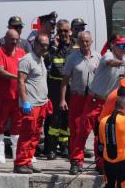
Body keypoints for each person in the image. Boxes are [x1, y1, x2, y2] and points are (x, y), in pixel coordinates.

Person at [75, 37, 125, 174]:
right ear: (113, 46)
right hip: (94, 101)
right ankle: (76, 161)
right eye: (120, 46)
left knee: (102, 136)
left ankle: (100, 163)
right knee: (83, 132)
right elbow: (110, 62)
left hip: (107, 104)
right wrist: (123, 62)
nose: (123, 49)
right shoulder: (108, 55)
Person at [59, 31, 101, 175]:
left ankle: (99, 161)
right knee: (76, 130)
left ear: (91, 42)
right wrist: (63, 99)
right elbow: (64, 81)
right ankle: (76, 161)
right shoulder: (72, 58)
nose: (85, 44)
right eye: (82, 41)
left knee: (97, 130)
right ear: (78, 42)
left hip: (93, 99)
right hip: (77, 97)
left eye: (87, 41)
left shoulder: (98, 57)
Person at [14, 34, 52, 174]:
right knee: (26, 135)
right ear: (35, 44)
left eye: (46, 45)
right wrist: (24, 101)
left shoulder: (40, 59)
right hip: (31, 104)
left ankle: (27, 161)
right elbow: (20, 81)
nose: (44, 47)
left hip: (41, 103)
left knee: (35, 135)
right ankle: (20, 163)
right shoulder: (27, 59)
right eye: (42, 45)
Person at [43, 19, 76, 160]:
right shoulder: (52, 46)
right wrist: (54, 48)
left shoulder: (75, 46)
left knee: (67, 119)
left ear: (70, 31)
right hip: (55, 86)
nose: (63, 33)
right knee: (54, 119)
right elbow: (47, 62)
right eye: (60, 30)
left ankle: (64, 147)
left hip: (71, 86)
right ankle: (51, 149)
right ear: (57, 31)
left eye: (65, 30)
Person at [0, 29, 25, 164]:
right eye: (12, 40)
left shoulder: (21, 53)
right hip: (2, 98)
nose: (14, 42)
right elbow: (0, 71)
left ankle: (18, 153)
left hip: (18, 97)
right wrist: (18, 77)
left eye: (17, 40)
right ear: (5, 38)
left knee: (18, 125)